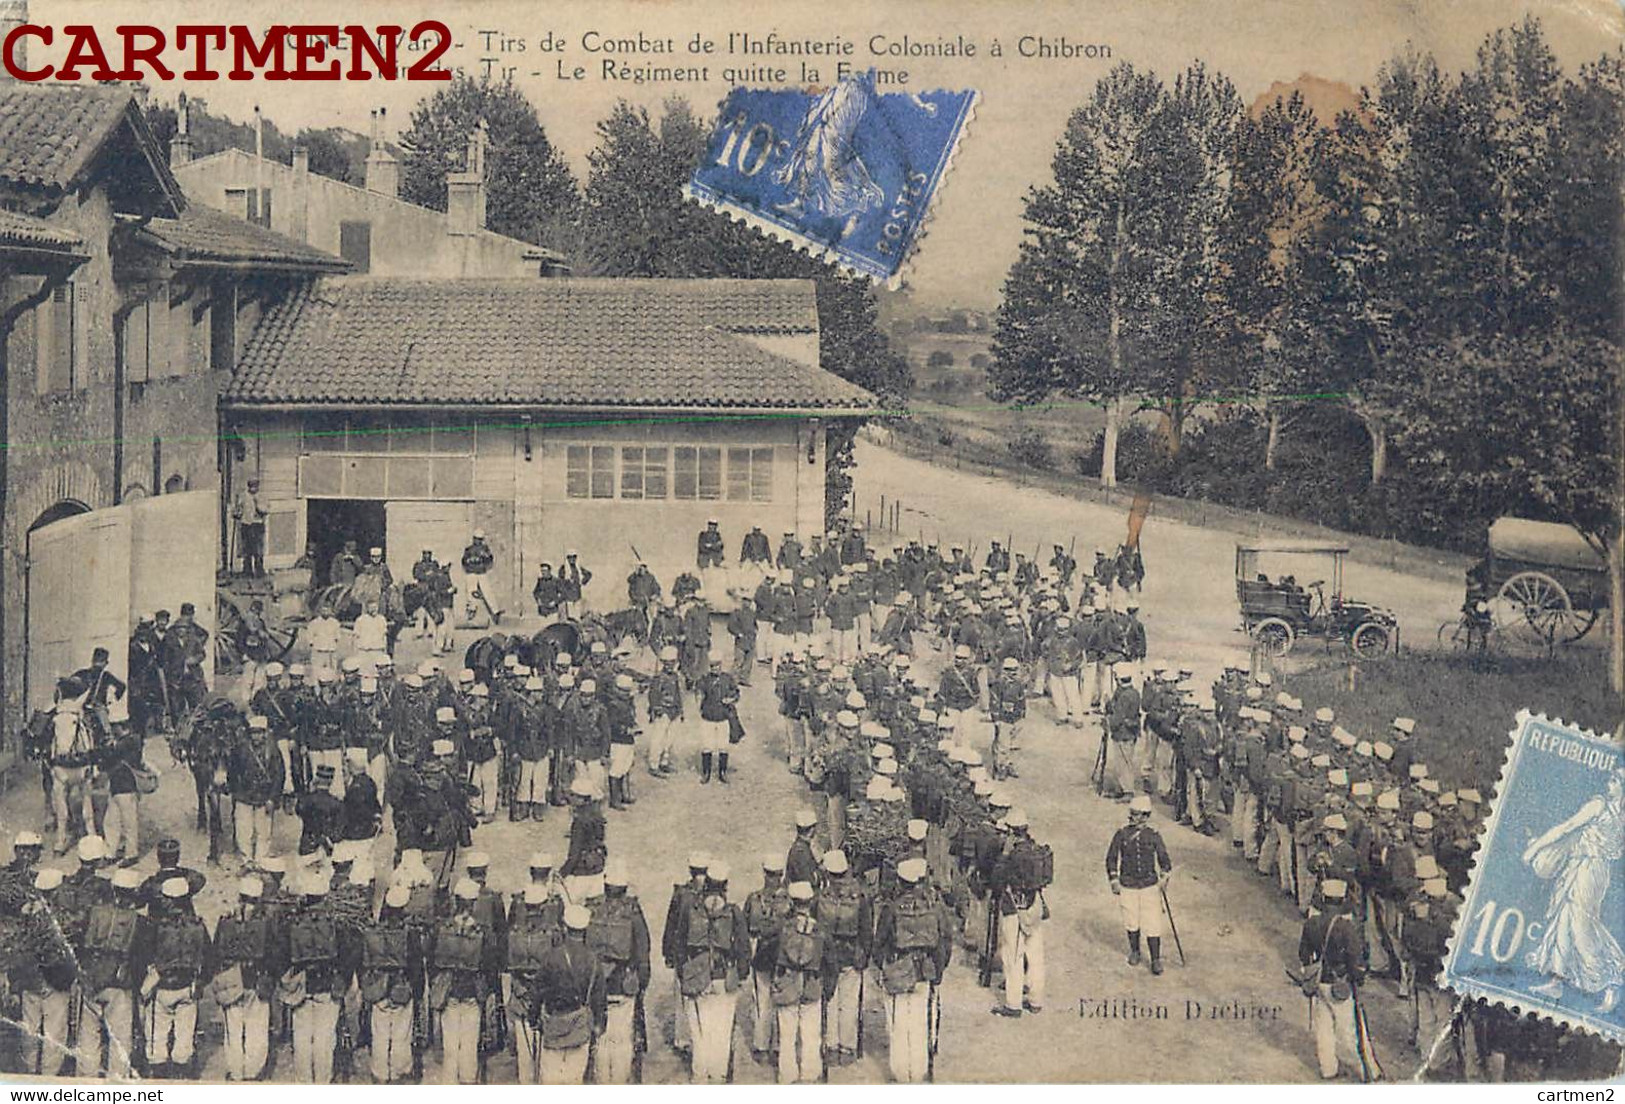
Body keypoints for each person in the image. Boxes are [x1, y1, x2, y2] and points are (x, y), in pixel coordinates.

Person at [1520, 767, 1625, 1012]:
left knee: (1582, 925)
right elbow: (1566, 828)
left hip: (1594, 871)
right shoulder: (1598, 805)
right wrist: (1535, 849)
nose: (1608, 784)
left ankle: (1612, 982)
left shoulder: (1615, 814)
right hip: (1580, 865)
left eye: (1614, 781)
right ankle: (1557, 980)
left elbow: (1568, 828)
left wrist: (1533, 849)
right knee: (1564, 918)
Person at [1298, 879, 1383, 1081]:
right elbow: (1355, 957)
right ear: (1342, 900)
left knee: (1324, 1027)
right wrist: (1359, 977)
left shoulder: (1311, 923)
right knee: (1349, 1029)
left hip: (1320, 981)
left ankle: (1328, 1068)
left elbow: (1303, 953)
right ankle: (1366, 1070)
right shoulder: (1346, 927)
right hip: (1341, 984)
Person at [675, 861, 750, 1083]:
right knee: (722, 1031)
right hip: (723, 976)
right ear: (725, 885)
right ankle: (718, 1075)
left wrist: (683, 973)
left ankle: (700, 1075)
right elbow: (743, 948)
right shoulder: (733, 912)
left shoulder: (691, 908)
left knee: (698, 1033)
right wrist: (740, 975)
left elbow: (680, 943)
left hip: (696, 976)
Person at [73, 866, 147, 1079]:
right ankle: (116, 1086)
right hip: (119, 985)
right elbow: (141, 957)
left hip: (92, 979)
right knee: (120, 1041)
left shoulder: (95, 912)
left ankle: (85, 1085)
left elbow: (81, 944)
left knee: (88, 1038)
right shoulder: (139, 921)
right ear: (133, 892)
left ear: (114, 889)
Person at [587, 861, 651, 1083]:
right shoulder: (632, 913)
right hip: (624, 986)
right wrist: (642, 984)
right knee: (623, 1039)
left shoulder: (591, 909)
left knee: (600, 1037)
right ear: (624, 888)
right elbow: (643, 952)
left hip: (596, 986)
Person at [212, 876, 278, 1081]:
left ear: (240, 896)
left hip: (232, 979)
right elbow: (275, 953)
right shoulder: (266, 923)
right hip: (257, 980)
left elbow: (216, 951)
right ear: (259, 899)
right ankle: (253, 1070)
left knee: (233, 1027)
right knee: (257, 1027)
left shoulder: (226, 921)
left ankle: (236, 1071)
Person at [144, 875, 211, 1078]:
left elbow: (143, 954)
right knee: (184, 1039)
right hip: (187, 986)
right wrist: (199, 982)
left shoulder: (155, 926)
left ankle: (159, 1080)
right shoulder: (198, 925)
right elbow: (210, 958)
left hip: (161, 988)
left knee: (156, 1041)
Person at [537, 904, 606, 1083]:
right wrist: (598, 1024)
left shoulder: (551, 957)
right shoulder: (593, 960)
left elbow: (538, 991)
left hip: (553, 1026)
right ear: (585, 929)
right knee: (574, 1079)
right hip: (579, 1028)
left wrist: (533, 1018)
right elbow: (599, 999)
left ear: (565, 928)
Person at [1105, 794, 1172, 976]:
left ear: (1147, 816)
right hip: (1128, 885)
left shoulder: (1154, 835)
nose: (1136, 818)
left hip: (1149, 885)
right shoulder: (1122, 834)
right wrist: (1114, 879)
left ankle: (1156, 959)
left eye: (1140, 815)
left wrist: (1165, 877)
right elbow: (1111, 858)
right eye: (1134, 814)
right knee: (1131, 920)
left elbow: (1165, 860)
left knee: (1153, 922)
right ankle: (1135, 950)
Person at [816, 849, 871, 1063]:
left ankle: (830, 1045)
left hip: (827, 956)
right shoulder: (860, 897)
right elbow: (866, 930)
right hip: (851, 955)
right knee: (848, 1002)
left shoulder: (821, 898)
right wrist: (864, 955)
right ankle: (847, 1047)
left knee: (829, 998)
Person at [773, 880, 826, 1083]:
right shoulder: (820, 929)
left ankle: (787, 1075)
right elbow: (829, 960)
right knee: (811, 1033)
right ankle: (810, 1073)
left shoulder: (783, 928)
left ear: (792, 903)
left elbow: (771, 954)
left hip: (788, 983)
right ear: (810, 901)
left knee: (787, 1034)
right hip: (811, 984)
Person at [743, 855, 791, 1062]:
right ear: (781, 875)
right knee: (780, 999)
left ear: (764, 874)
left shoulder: (753, 899)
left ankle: (761, 1045)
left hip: (761, 954)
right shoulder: (790, 901)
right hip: (782, 956)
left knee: (762, 1001)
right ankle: (779, 1045)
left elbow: (745, 929)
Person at [696, 657, 740, 784]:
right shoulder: (704, 680)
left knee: (723, 746)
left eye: (718, 666)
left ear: (721, 665)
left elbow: (736, 693)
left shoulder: (727, 679)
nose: (716, 669)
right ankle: (706, 773)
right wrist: (700, 707)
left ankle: (722, 772)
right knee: (706, 745)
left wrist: (731, 700)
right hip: (708, 717)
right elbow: (699, 695)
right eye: (713, 666)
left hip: (723, 716)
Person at [460, 529, 502, 627]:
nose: (478, 541)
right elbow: (464, 561)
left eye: (480, 539)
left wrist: (485, 558)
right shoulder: (469, 549)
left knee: (488, 591)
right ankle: (471, 609)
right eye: (476, 539)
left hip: (481, 572)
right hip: (471, 573)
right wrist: (471, 562)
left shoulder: (485, 549)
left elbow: (490, 560)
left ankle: (495, 611)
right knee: (471, 592)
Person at [234, 477, 269, 578]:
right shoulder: (244, 496)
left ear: (258, 486)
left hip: (258, 524)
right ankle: (247, 571)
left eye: (255, 486)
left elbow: (265, 510)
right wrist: (237, 513)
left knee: (258, 550)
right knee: (247, 549)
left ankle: (259, 571)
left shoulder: (262, 497)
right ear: (248, 486)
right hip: (246, 525)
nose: (253, 489)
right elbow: (239, 510)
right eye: (251, 486)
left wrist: (258, 504)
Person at [559, 551, 592, 619]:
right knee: (570, 617)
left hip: (577, 595)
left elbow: (589, 574)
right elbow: (560, 581)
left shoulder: (578, 568)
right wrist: (567, 582)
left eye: (574, 557)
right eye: (570, 557)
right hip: (568, 596)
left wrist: (582, 582)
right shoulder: (563, 568)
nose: (572, 559)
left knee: (577, 616)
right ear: (567, 559)